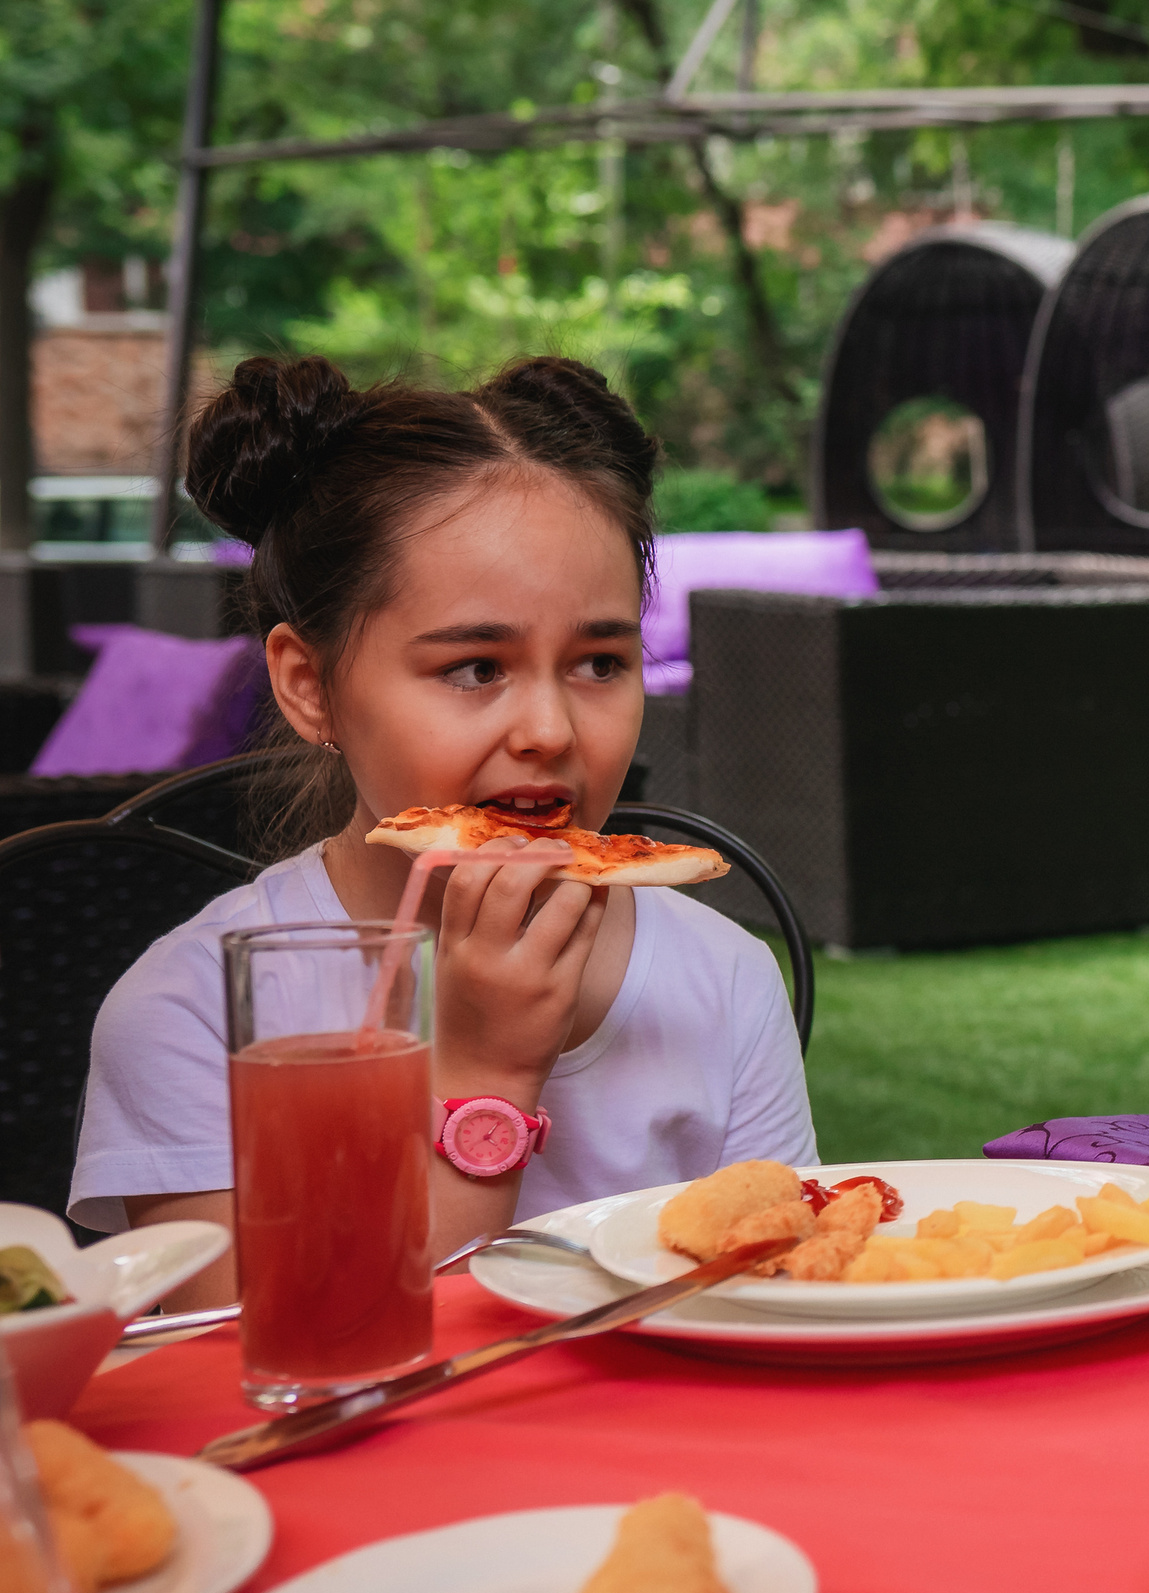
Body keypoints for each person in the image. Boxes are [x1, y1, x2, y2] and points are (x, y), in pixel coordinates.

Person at [68, 355, 818, 1303]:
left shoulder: (726, 980)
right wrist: (486, 1077)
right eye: (474, 668)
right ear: (309, 683)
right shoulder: (196, 1011)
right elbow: (239, 1371)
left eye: (598, 662)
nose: (549, 730)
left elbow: (779, 1291)